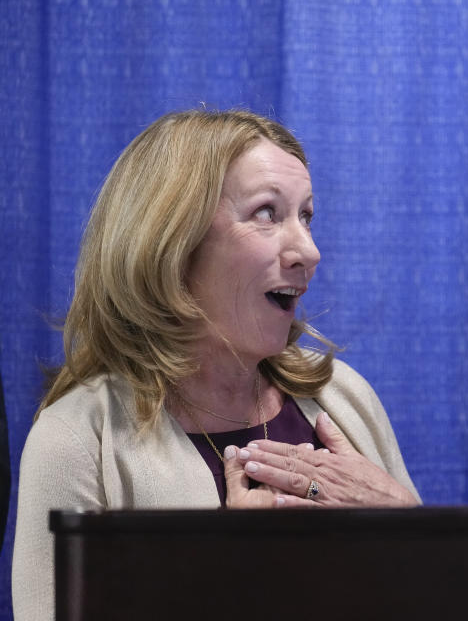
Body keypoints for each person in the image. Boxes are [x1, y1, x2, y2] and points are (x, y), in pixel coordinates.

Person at [12, 109, 420, 620]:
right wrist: (238, 573)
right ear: (172, 243)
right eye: (267, 213)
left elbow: (448, 601)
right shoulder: (77, 439)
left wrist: (410, 527)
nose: (309, 251)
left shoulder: (345, 397)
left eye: (307, 216)